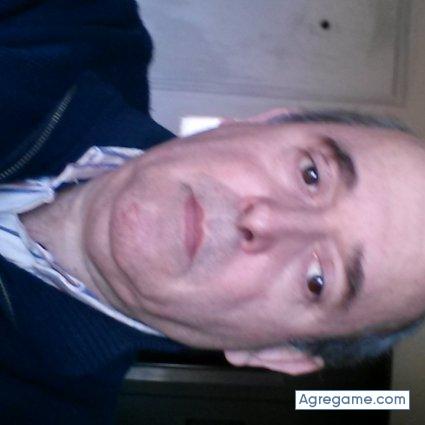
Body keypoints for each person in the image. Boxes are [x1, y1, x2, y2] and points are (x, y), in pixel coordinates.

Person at [1, 0, 424, 423]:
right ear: (260, 122)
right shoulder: (66, 16)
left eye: (317, 280)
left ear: (275, 353)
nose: (265, 220)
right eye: (311, 174)